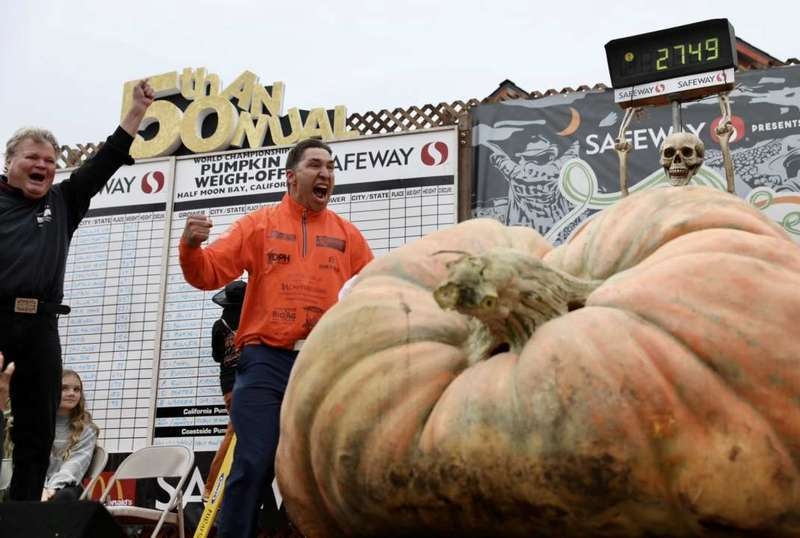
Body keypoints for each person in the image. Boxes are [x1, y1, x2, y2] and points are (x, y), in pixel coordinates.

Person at [180, 138, 374, 538]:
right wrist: (190, 246)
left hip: (324, 365)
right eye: (316, 166)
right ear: (291, 176)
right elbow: (207, 272)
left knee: (324, 468)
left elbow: (373, 290)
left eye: (331, 168)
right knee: (253, 461)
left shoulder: (348, 236)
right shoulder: (259, 225)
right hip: (266, 361)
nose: (325, 174)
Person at [0, 79, 154, 501]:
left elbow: (105, 160)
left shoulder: (64, 201)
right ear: (9, 161)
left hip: (42, 327)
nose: (43, 166)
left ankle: (23, 518)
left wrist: (137, 111)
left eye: (50, 161)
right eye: (32, 157)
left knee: (37, 433)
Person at [202, 279, 246, 502]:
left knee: (239, 432)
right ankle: (211, 488)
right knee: (235, 432)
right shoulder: (252, 320)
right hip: (250, 381)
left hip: (229, 385)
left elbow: (217, 357)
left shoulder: (219, 326)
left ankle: (223, 486)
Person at [41, 369, 99, 502]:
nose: (71, 393)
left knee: (63, 496)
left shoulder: (87, 429)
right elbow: (33, 462)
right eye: (64, 388)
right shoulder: (37, 424)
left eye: (76, 389)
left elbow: (75, 465)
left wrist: (52, 488)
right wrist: (40, 487)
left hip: (67, 487)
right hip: (37, 483)